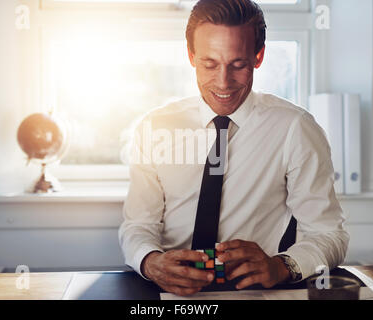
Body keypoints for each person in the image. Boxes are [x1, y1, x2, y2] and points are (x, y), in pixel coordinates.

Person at [119, 0, 349, 297]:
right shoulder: (155, 127)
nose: (223, 82)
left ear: (258, 56)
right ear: (191, 56)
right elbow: (138, 225)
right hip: (170, 295)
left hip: (254, 293)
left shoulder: (296, 129)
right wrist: (151, 262)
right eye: (209, 64)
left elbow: (329, 233)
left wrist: (283, 267)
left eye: (238, 64)